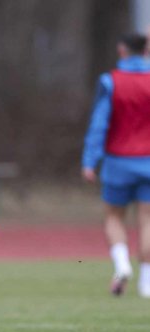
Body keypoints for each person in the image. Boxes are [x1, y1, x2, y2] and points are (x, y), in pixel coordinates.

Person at [82, 33, 150, 298]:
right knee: (147, 220)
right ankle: (147, 283)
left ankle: (122, 266)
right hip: (149, 161)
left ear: (122, 50)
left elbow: (99, 125)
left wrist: (90, 161)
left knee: (113, 217)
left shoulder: (111, 81)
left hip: (118, 161)